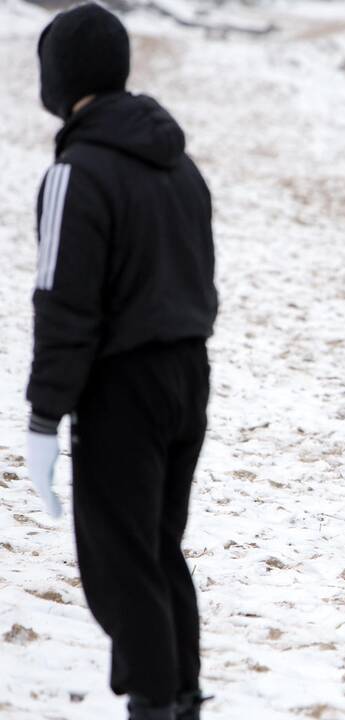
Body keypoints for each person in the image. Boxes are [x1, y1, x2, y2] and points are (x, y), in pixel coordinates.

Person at [25, 4, 217, 718]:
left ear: (61, 75)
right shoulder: (179, 163)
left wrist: (45, 415)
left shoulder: (78, 171)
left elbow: (62, 305)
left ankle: (153, 704)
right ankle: (182, 697)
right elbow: (200, 276)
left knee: (120, 562)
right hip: (187, 375)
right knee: (157, 548)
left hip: (122, 387)